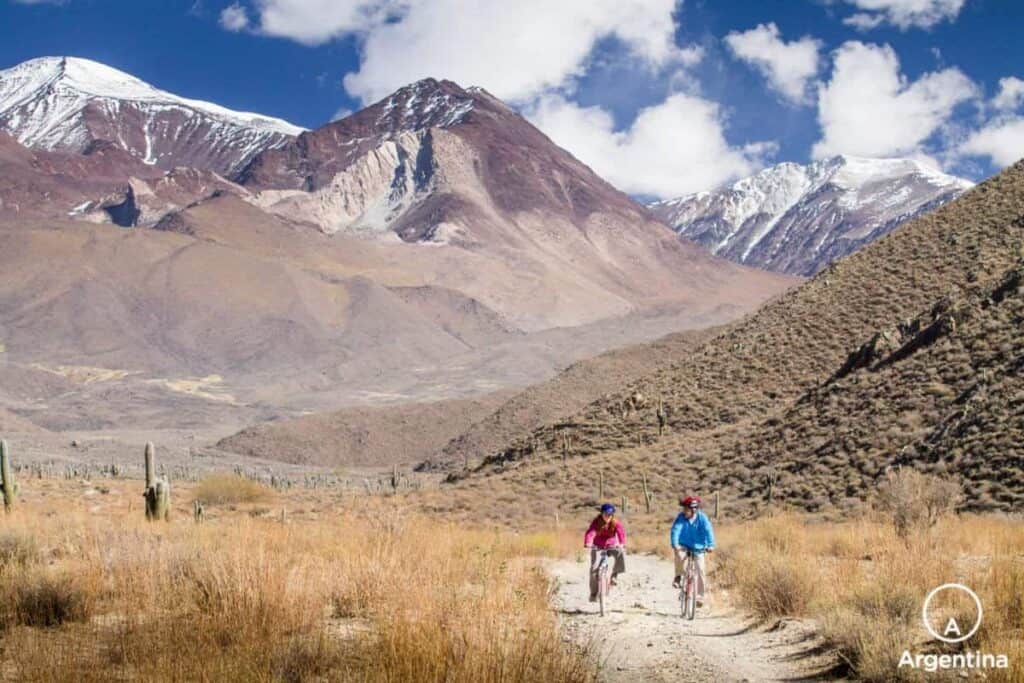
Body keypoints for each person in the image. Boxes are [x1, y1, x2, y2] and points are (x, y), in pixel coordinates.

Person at [670, 495, 715, 606]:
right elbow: (675, 530)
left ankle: (700, 597)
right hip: (683, 545)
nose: (684, 511)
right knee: (679, 556)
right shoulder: (681, 517)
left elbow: (708, 531)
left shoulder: (702, 518)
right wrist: (675, 544)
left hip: (699, 547)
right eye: (684, 509)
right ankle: (678, 576)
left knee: (701, 570)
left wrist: (710, 545)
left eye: (686, 509)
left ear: (694, 510)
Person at [583, 502, 627, 602]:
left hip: (611, 545)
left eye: (610, 515)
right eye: (606, 514)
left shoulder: (615, 522)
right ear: (601, 513)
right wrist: (588, 542)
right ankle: (593, 595)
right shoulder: (596, 522)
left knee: (620, 553)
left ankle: (614, 576)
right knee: (594, 569)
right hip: (597, 546)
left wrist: (622, 543)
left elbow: (621, 533)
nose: (608, 517)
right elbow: (591, 532)